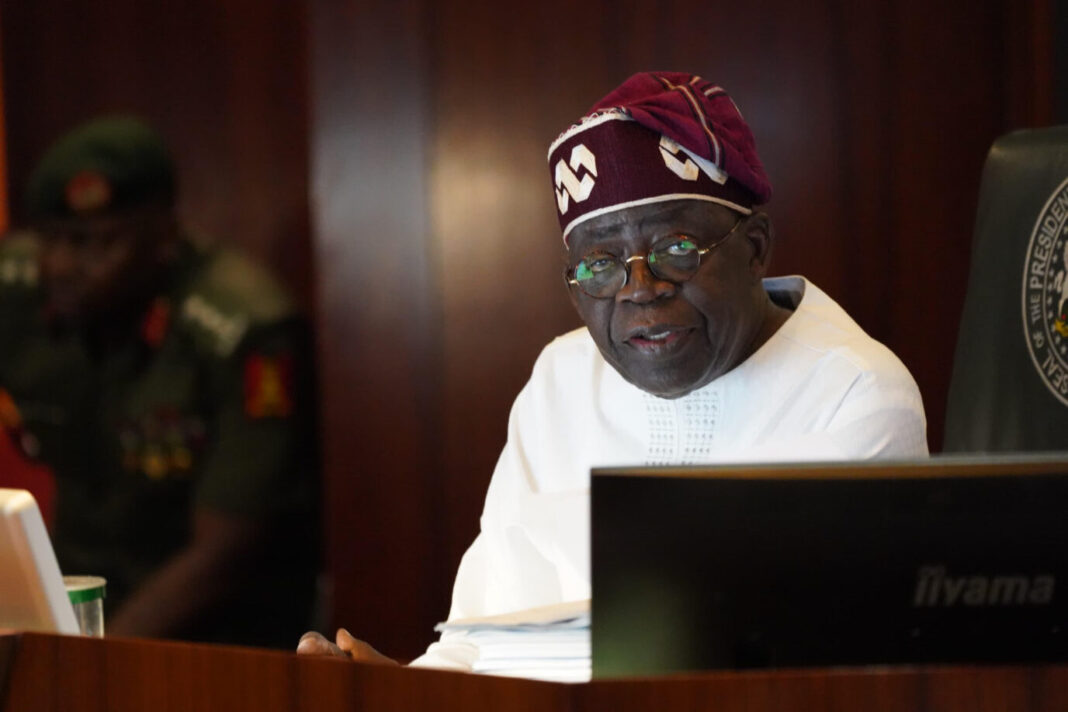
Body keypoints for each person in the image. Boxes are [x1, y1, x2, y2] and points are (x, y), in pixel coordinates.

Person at [296, 71, 928, 666]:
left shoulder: (853, 393)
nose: (640, 289)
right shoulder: (562, 380)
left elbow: (842, 677)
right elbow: (482, 644)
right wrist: (398, 689)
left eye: (676, 249)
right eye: (601, 265)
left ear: (755, 248)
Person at [0, 116, 319, 647]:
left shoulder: (240, 326)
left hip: (220, 634)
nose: (61, 264)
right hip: (77, 600)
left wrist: (95, 664)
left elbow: (228, 549)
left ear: (164, 237)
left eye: (95, 243)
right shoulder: (20, 292)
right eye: (49, 239)